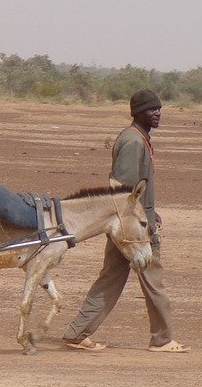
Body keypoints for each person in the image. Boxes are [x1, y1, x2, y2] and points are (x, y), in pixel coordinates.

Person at [62, 89, 188, 353]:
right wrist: (143, 220)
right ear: (138, 113)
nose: (158, 114)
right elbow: (123, 193)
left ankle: (77, 333)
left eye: (159, 109)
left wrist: (151, 212)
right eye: (152, 109)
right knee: (153, 279)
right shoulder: (133, 142)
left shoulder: (138, 138)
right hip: (132, 230)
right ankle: (163, 339)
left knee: (110, 279)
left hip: (130, 223)